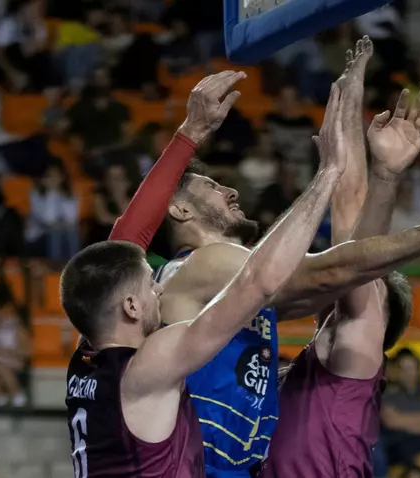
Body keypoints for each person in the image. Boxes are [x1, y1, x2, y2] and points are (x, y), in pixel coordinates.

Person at [152, 35, 420, 476]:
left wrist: (376, 165)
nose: (230, 189)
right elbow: (344, 262)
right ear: (180, 210)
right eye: (212, 186)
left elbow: (349, 260)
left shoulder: (323, 344)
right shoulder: (209, 265)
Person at [64, 72, 349, 477]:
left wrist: (191, 132)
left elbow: (125, 241)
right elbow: (260, 281)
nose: (158, 292)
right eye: (150, 287)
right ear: (129, 305)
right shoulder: (146, 366)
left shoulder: (89, 357)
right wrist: (331, 174)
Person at [261, 38, 420, 477]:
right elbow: (348, 208)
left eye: (373, 289)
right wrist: (350, 102)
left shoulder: (357, 345)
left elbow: (356, 252)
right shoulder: (321, 354)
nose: (359, 286)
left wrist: (385, 172)